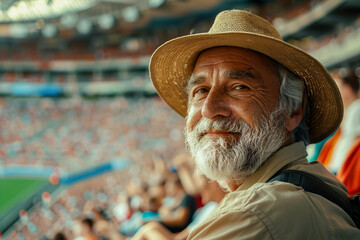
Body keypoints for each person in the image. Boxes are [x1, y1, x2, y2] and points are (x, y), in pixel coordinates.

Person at [149, 10, 360, 239]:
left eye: (239, 87)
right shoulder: (303, 183)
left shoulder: (257, 215)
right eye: (201, 90)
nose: (209, 109)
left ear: (293, 110)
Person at [317, 69, 360, 196]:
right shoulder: (349, 112)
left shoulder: (356, 108)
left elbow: (353, 141)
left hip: (342, 173)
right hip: (337, 171)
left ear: (346, 89)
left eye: (336, 88)